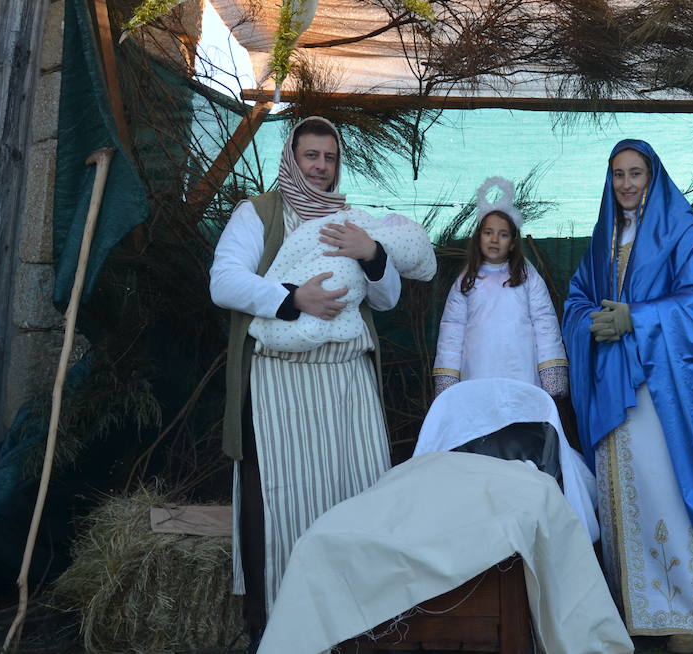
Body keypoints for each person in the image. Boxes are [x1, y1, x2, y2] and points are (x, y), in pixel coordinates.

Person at [210, 116, 401, 644]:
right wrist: (294, 299)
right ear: (292, 158)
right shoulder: (260, 212)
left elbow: (386, 301)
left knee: (354, 494)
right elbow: (223, 281)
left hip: (346, 384)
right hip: (281, 384)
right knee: (280, 500)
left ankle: (354, 621)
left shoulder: (351, 219)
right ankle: (275, 628)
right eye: (311, 156)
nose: (321, 167)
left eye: (330, 158)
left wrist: (373, 255)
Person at [563, 140, 693, 653]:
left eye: (635, 173)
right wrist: (588, 322)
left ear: (653, 175)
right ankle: (637, 610)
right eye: (617, 174)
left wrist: (635, 319)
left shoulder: (683, 232)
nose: (625, 184)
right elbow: (577, 297)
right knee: (621, 493)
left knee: (662, 488)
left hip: (657, 392)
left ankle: (684, 614)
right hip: (612, 387)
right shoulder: (603, 237)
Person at [432, 177, 568, 398]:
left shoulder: (527, 277)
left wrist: (552, 375)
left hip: (521, 370)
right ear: (478, 238)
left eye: (503, 234)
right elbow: (452, 330)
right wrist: (447, 382)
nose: (494, 239)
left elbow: (545, 323)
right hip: (477, 370)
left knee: (520, 422)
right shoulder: (466, 282)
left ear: (513, 242)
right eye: (488, 233)